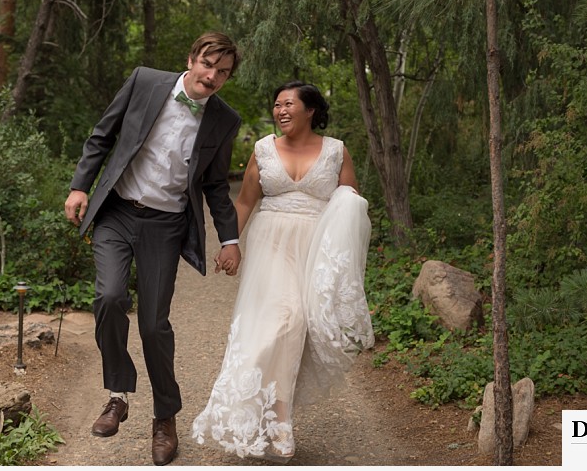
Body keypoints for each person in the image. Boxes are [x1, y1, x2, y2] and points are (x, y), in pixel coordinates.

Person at [64, 32, 243, 466]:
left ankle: (165, 417)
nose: (212, 76)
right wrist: (79, 186)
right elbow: (102, 136)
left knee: (153, 324)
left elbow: (216, 184)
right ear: (191, 59)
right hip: (117, 213)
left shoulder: (224, 119)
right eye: (207, 64)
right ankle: (117, 395)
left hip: (165, 225)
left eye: (223, 72)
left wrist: (231, 238)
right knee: (108, 298)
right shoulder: (145, 81)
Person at [191, 80, 375, 461]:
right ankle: (255, 417)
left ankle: (274, 420)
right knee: (275, 326)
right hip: (270, 246)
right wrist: (230, 243)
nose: (281, 111)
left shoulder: (336, 151)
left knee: (295, 332)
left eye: (289, 104)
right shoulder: (263, 149)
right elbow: (243, 202)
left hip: (314, 248)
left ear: (311, 110)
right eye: (276, 105)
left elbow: (352, 203)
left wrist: (341, 261)